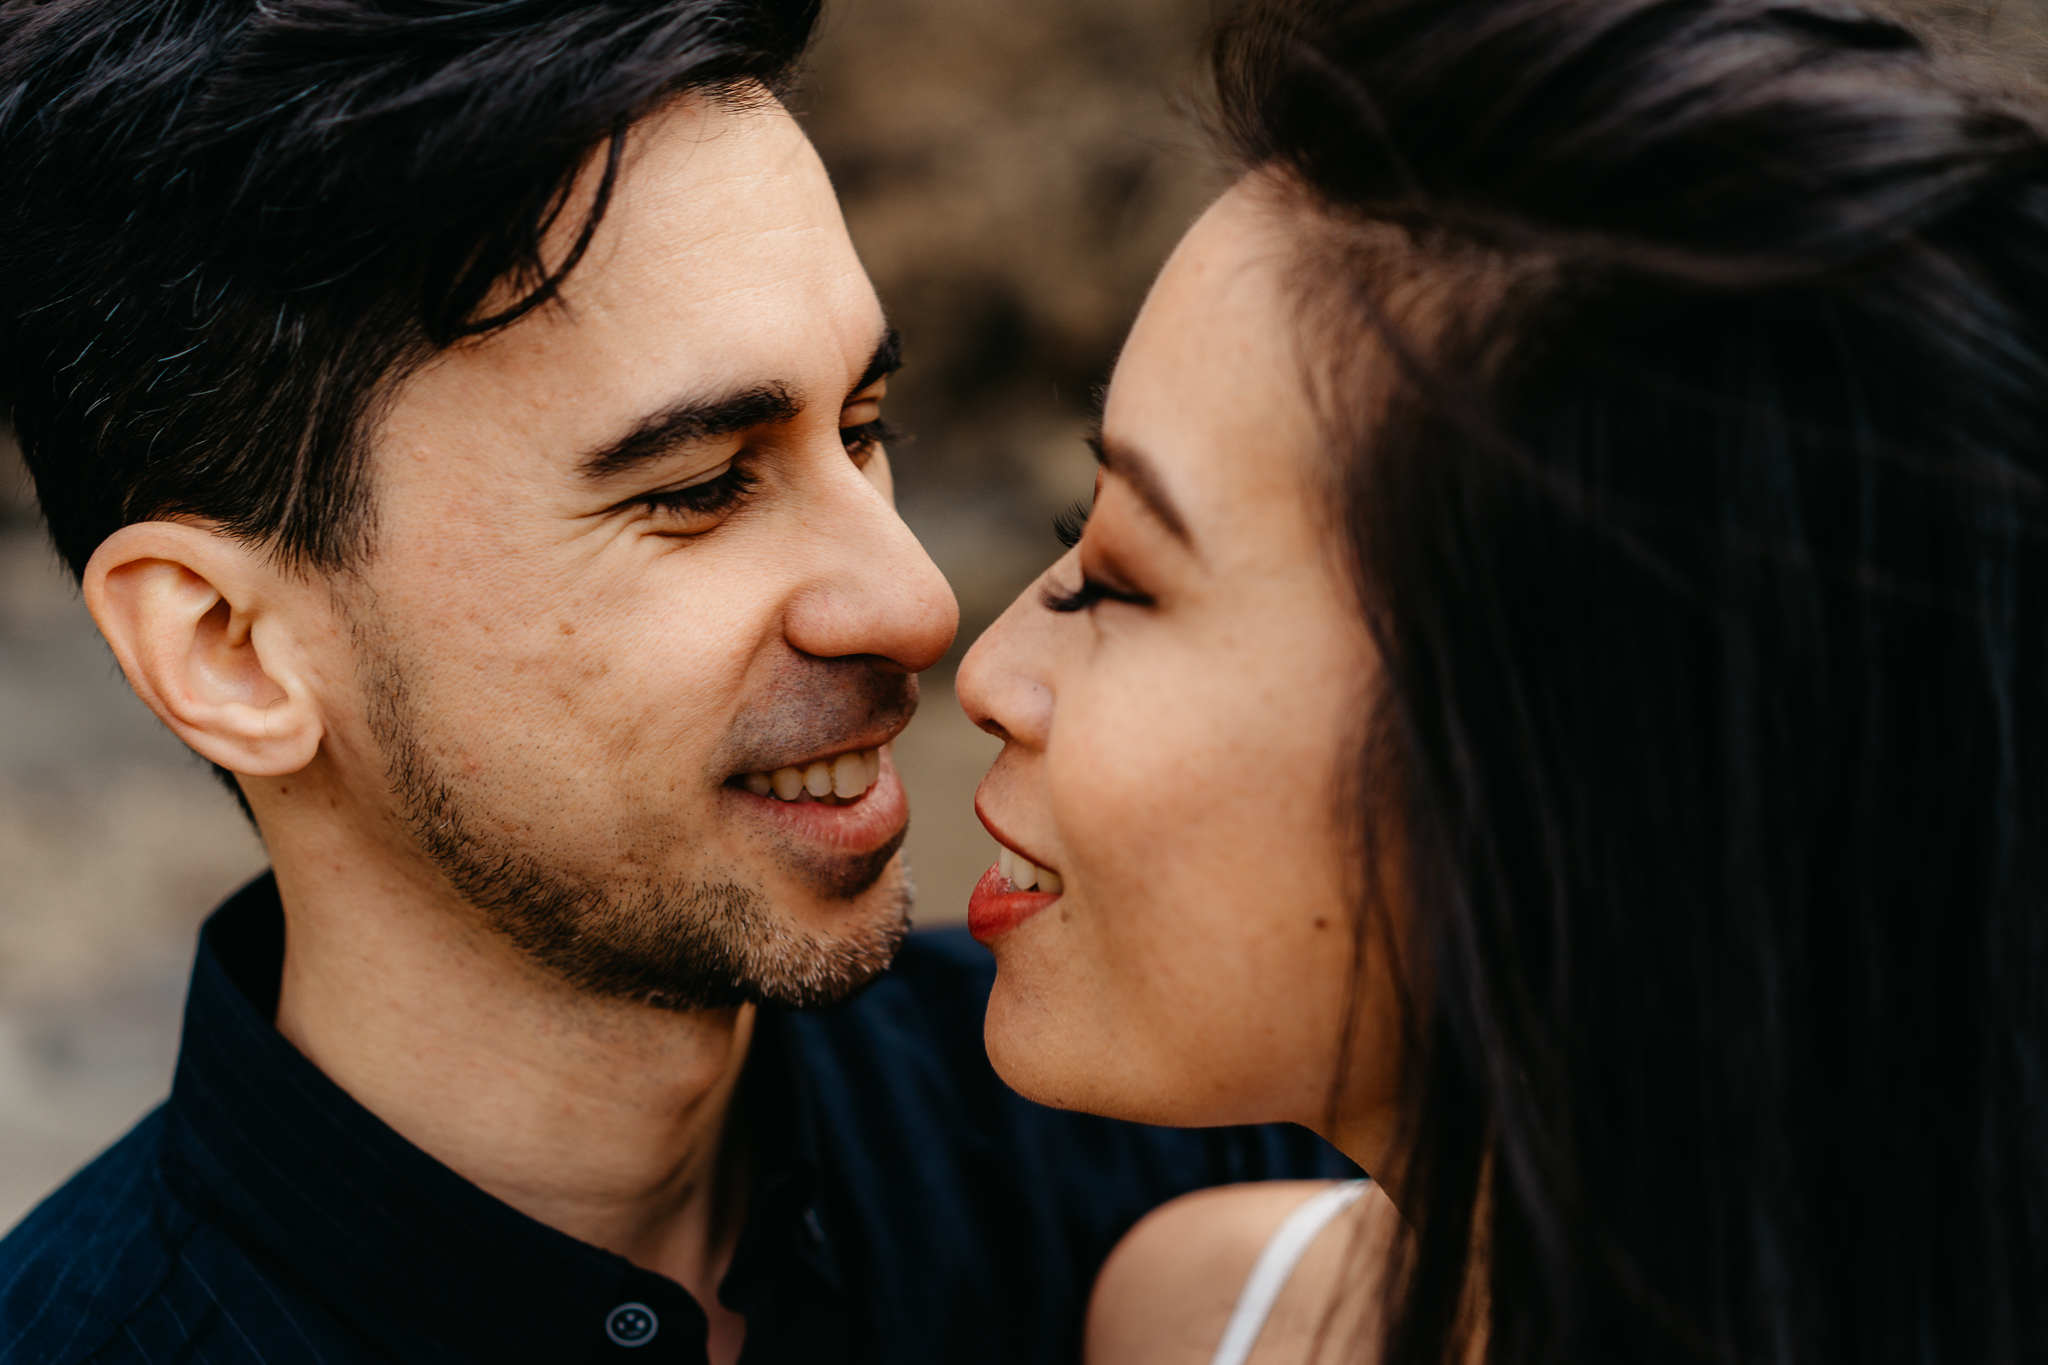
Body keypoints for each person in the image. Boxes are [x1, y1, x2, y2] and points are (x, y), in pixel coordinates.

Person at [0, 1, 1349, 1361]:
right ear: (227, 648)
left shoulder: (1179, 1160)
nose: (920, 604)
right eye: (702, 488)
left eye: (867, 430)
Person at [958, 0, 2048, 1360]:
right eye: (1076, 536)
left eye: (1121, 574)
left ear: (1589, 759)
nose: (984, 670)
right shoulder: (1195, 1314)